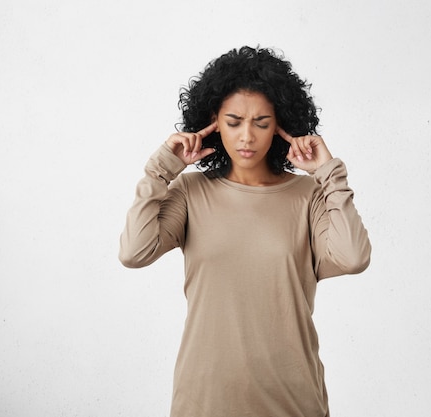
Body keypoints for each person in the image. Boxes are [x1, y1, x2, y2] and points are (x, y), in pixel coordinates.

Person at [119, 46, 371, 417]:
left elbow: (353, 258)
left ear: (282, 125)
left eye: (262, 123)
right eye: (234, 122)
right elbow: (134, 252)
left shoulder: (308, 196)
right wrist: (161, 168)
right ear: (214, 122)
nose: (247, 137)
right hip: (203, 401)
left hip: (292, 401)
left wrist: (328, 173)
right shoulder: (191, 192)